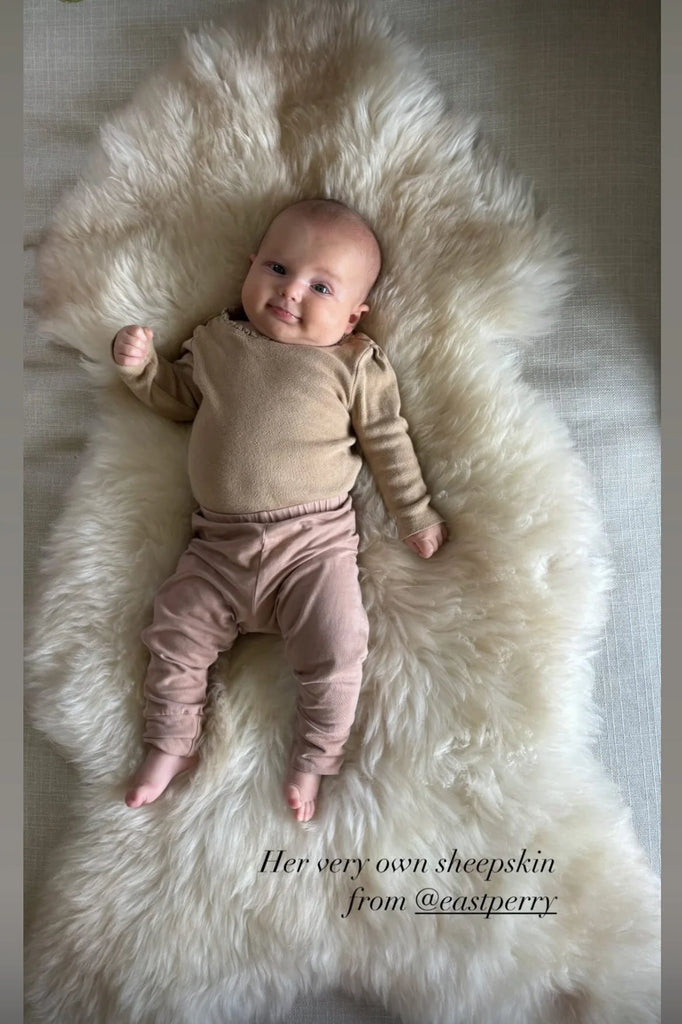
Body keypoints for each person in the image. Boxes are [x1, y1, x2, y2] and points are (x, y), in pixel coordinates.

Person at [113, 198, 448, 821]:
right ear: (250, 267)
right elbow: (179, 398)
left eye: (320, 286)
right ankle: (169, 744)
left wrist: (416, 514)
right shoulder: (217, 341)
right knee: (173, 632)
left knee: (340, 646)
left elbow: (388, 443)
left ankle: (314, 760)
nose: (290, 290)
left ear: (354, 315)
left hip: (312, 545)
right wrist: (141, 370)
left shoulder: (354, 365)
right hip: (218, 548)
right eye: (276, 268)